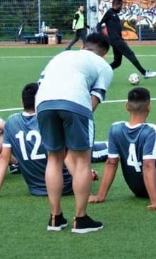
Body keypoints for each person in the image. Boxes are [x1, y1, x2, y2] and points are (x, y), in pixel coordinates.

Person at [36, 32, 113, 233]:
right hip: (74, 102)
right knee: (81, 161)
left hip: (43, 103)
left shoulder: (61, 55)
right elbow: (93, 100)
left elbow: (40, 83)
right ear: (103, 54)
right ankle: (80, 219)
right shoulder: (103, 66)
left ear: (83, 46)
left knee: (54, 158)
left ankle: (55, 218)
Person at [89, 87, 156, 210]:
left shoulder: (115, 129)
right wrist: (155, 201)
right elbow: (148, 165)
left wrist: (100, 195)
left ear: (126, 106)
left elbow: (111, 163)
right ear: (149, 107)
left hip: (138, 190)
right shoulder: (151, 130)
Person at [0, 83, 75, 200]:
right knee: (81, 151)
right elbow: (67, 155)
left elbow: (4, 158)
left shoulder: (12, 122)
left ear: (22, 101)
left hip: (36, 189)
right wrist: (82, 183)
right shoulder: (51, 120)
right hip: (65, 186)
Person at [97, 0, 156, 79]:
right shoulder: (109, 13)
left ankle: (99, 73)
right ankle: (144, 73)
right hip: (115, 40)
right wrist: (104, 36)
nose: (122, 8)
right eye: (121, 5)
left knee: (117, 62)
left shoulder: (114, 14)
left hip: (117, 40)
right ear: (116, 5)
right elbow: (99, 25)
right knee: (130, 54)